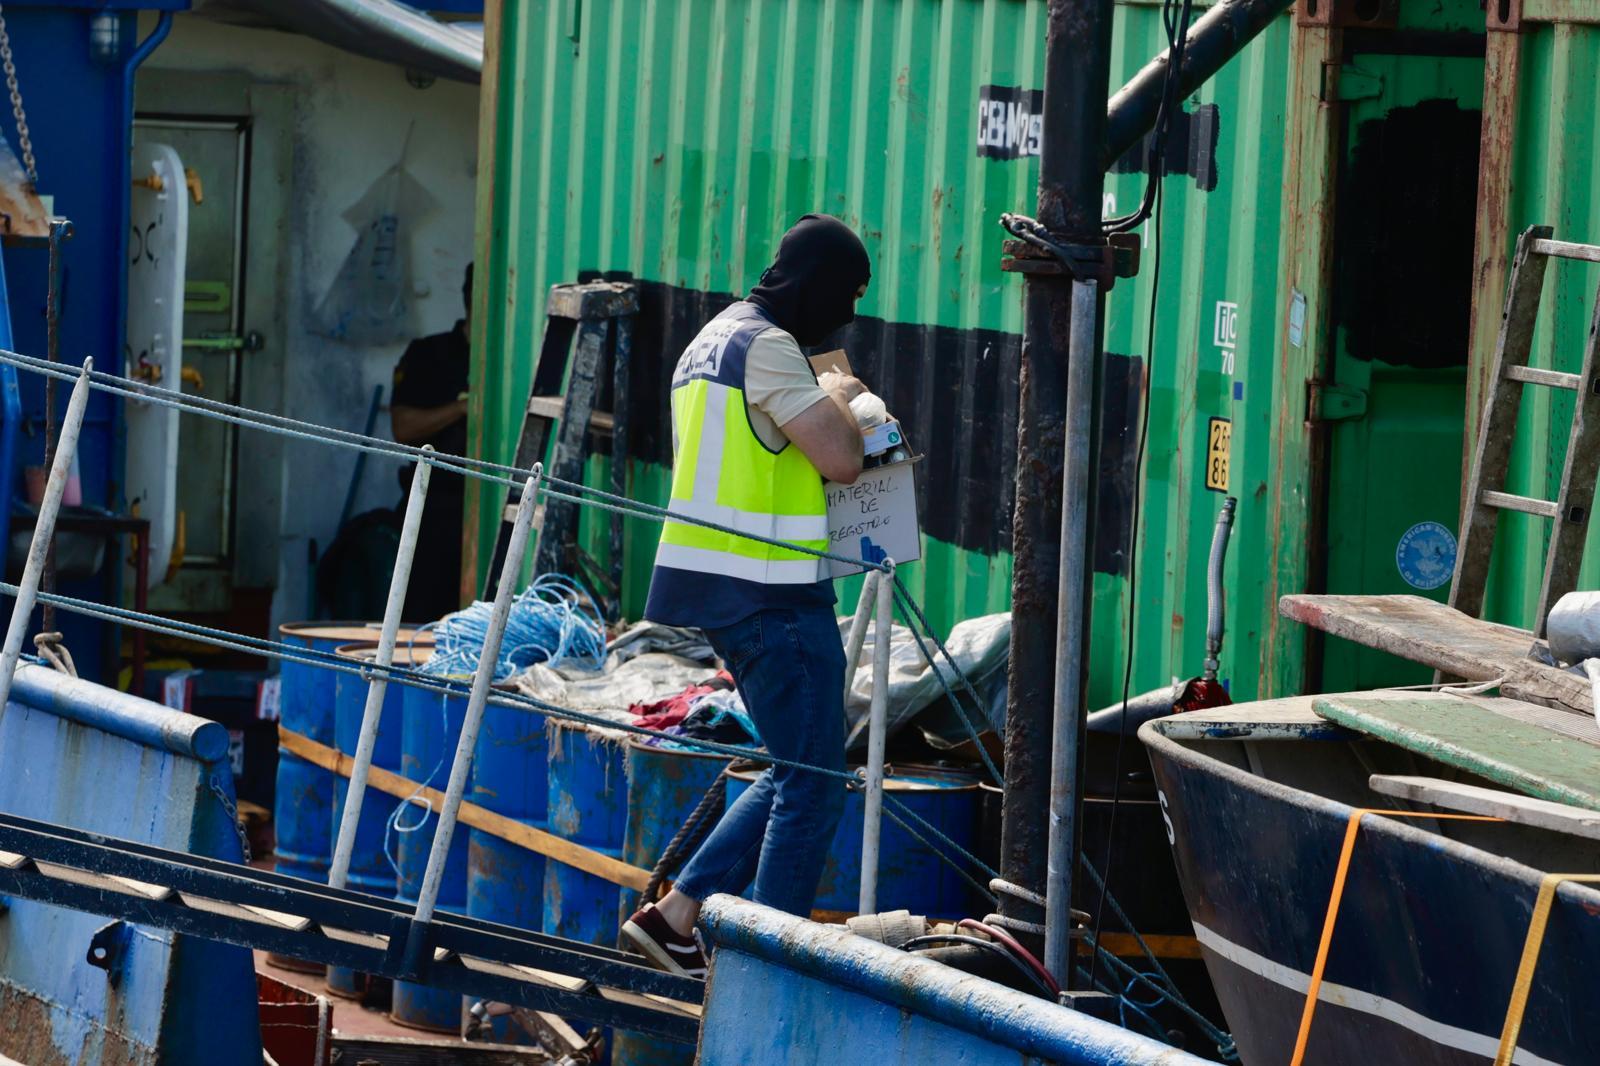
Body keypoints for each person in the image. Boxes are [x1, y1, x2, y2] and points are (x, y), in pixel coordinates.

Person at [620, 215, 872, 978]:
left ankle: (676, 917)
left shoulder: (712, 339)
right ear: (819, 286)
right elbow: (841, 459)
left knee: (796, 765)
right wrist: (845, 392)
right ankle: (763, 969)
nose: (849, 314)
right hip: (773, 594)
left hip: (728, 592)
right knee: (816, 788)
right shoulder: (767, 347)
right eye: (849, 296)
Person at [391, 262, 473, 623]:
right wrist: (461, 408)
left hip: (493, 505)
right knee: (421, 621)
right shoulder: (430, 354)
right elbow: (403, 429)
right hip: (434, 508)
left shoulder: (512, 356)